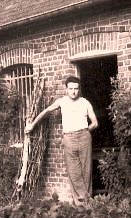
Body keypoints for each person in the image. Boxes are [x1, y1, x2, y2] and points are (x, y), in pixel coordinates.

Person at [25, 76, 98, 205]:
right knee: (73, 171)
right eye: (71, 89)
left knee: (86, 170)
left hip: (84, 137)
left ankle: (86, 202)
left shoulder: (85, 102)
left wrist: (85, 130)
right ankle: (82, 203)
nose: (73, 91)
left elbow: (95, 123)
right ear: (66, 89)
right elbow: (46, 111)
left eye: (76, 88)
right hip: (69, 138)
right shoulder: (62, 101)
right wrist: (32, 125)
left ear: (79, 89)